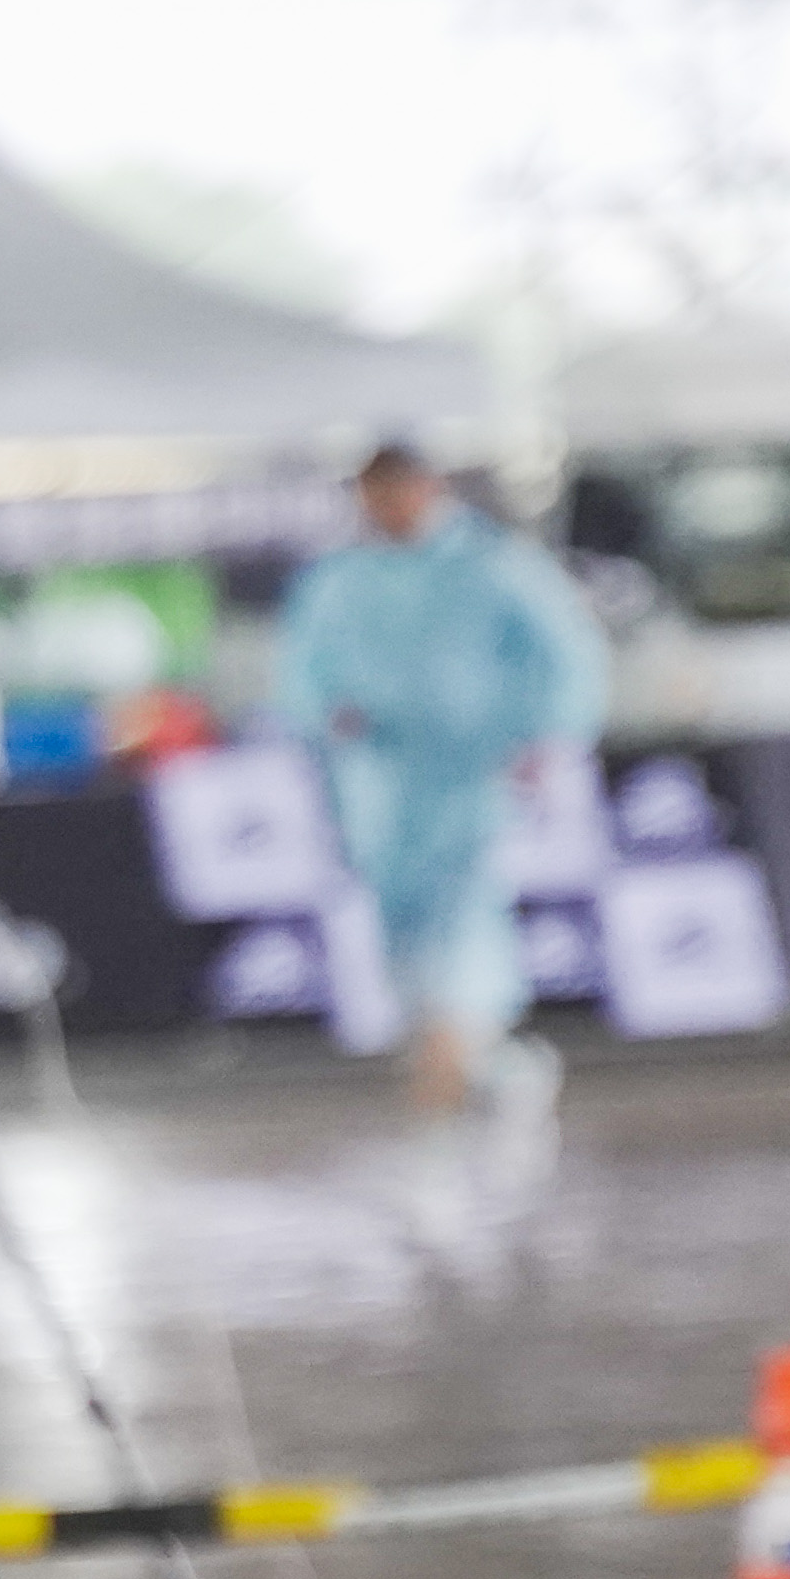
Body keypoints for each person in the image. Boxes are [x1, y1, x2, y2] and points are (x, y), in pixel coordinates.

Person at [275, 445, 605, 1127]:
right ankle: (469, 1055)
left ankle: (457, 1045)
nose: (384, 509)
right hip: (379, 781)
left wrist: (545, 736)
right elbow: (301, 670)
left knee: (465, 908)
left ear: (427, 489)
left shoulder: (494, 566)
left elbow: (567, 654)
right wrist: (326, 713)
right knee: (399, 921)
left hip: (472, 771)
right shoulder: (341, 578)